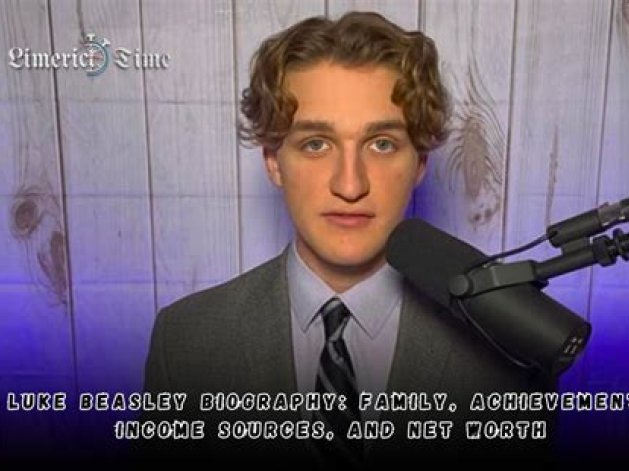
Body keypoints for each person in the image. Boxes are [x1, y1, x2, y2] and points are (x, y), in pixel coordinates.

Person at [138, 11, 555, 468]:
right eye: (316, 144)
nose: (350, 185)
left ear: (419, 164)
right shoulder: (185, 343)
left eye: (382, 144)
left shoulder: (507, 351)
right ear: (274, 161)